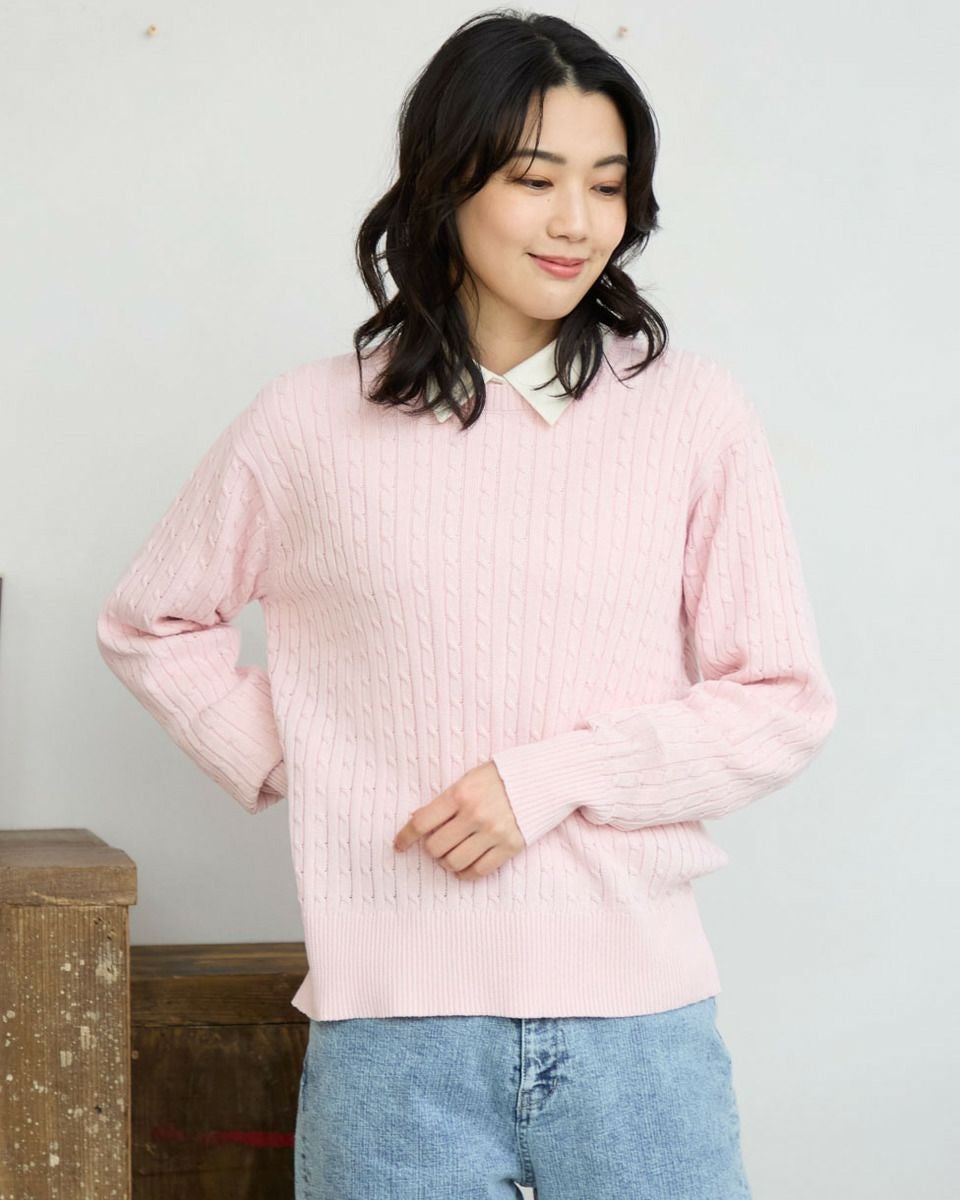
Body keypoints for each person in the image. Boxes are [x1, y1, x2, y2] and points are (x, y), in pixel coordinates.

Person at [96, 9, 838, 1199]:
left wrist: (549, 779)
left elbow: (781, 700)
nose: (577, 221)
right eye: (535, 180)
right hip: (393, 1042)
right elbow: (149, 622)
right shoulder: (308, 424)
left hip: (639, 1037)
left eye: (608, 184)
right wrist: (317, 755)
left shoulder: (692, 415)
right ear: (447, 186)